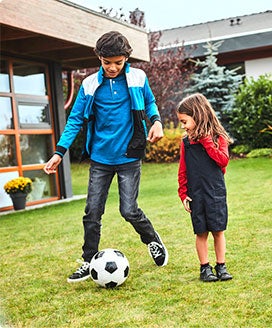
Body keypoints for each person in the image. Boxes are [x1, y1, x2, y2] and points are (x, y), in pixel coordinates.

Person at [43, 31, 168, 283]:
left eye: (118, 62)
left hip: (129, 157)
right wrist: (59, 152)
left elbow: (150, 103)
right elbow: (75, 119)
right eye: (106, 62)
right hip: (100, 159)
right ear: (99, 58)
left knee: (129, 210)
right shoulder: (89, 84)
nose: (112, 68)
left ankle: (152, 240)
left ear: (126, 59)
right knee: (92, 212)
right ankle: (89, 260)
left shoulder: (137, 78)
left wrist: (156, 122)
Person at [176, 93, 233, 282]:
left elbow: (222, 161)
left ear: (198, 115)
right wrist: (183, 193)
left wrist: (207, 141)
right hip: (196, 195)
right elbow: (183, 170)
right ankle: (205, 268)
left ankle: (221, 266)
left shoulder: (218, 139)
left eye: (185, 121)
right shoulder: (186, 142)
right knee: (201, 232)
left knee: (218, 230)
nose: (183, 126)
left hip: (215, 193)